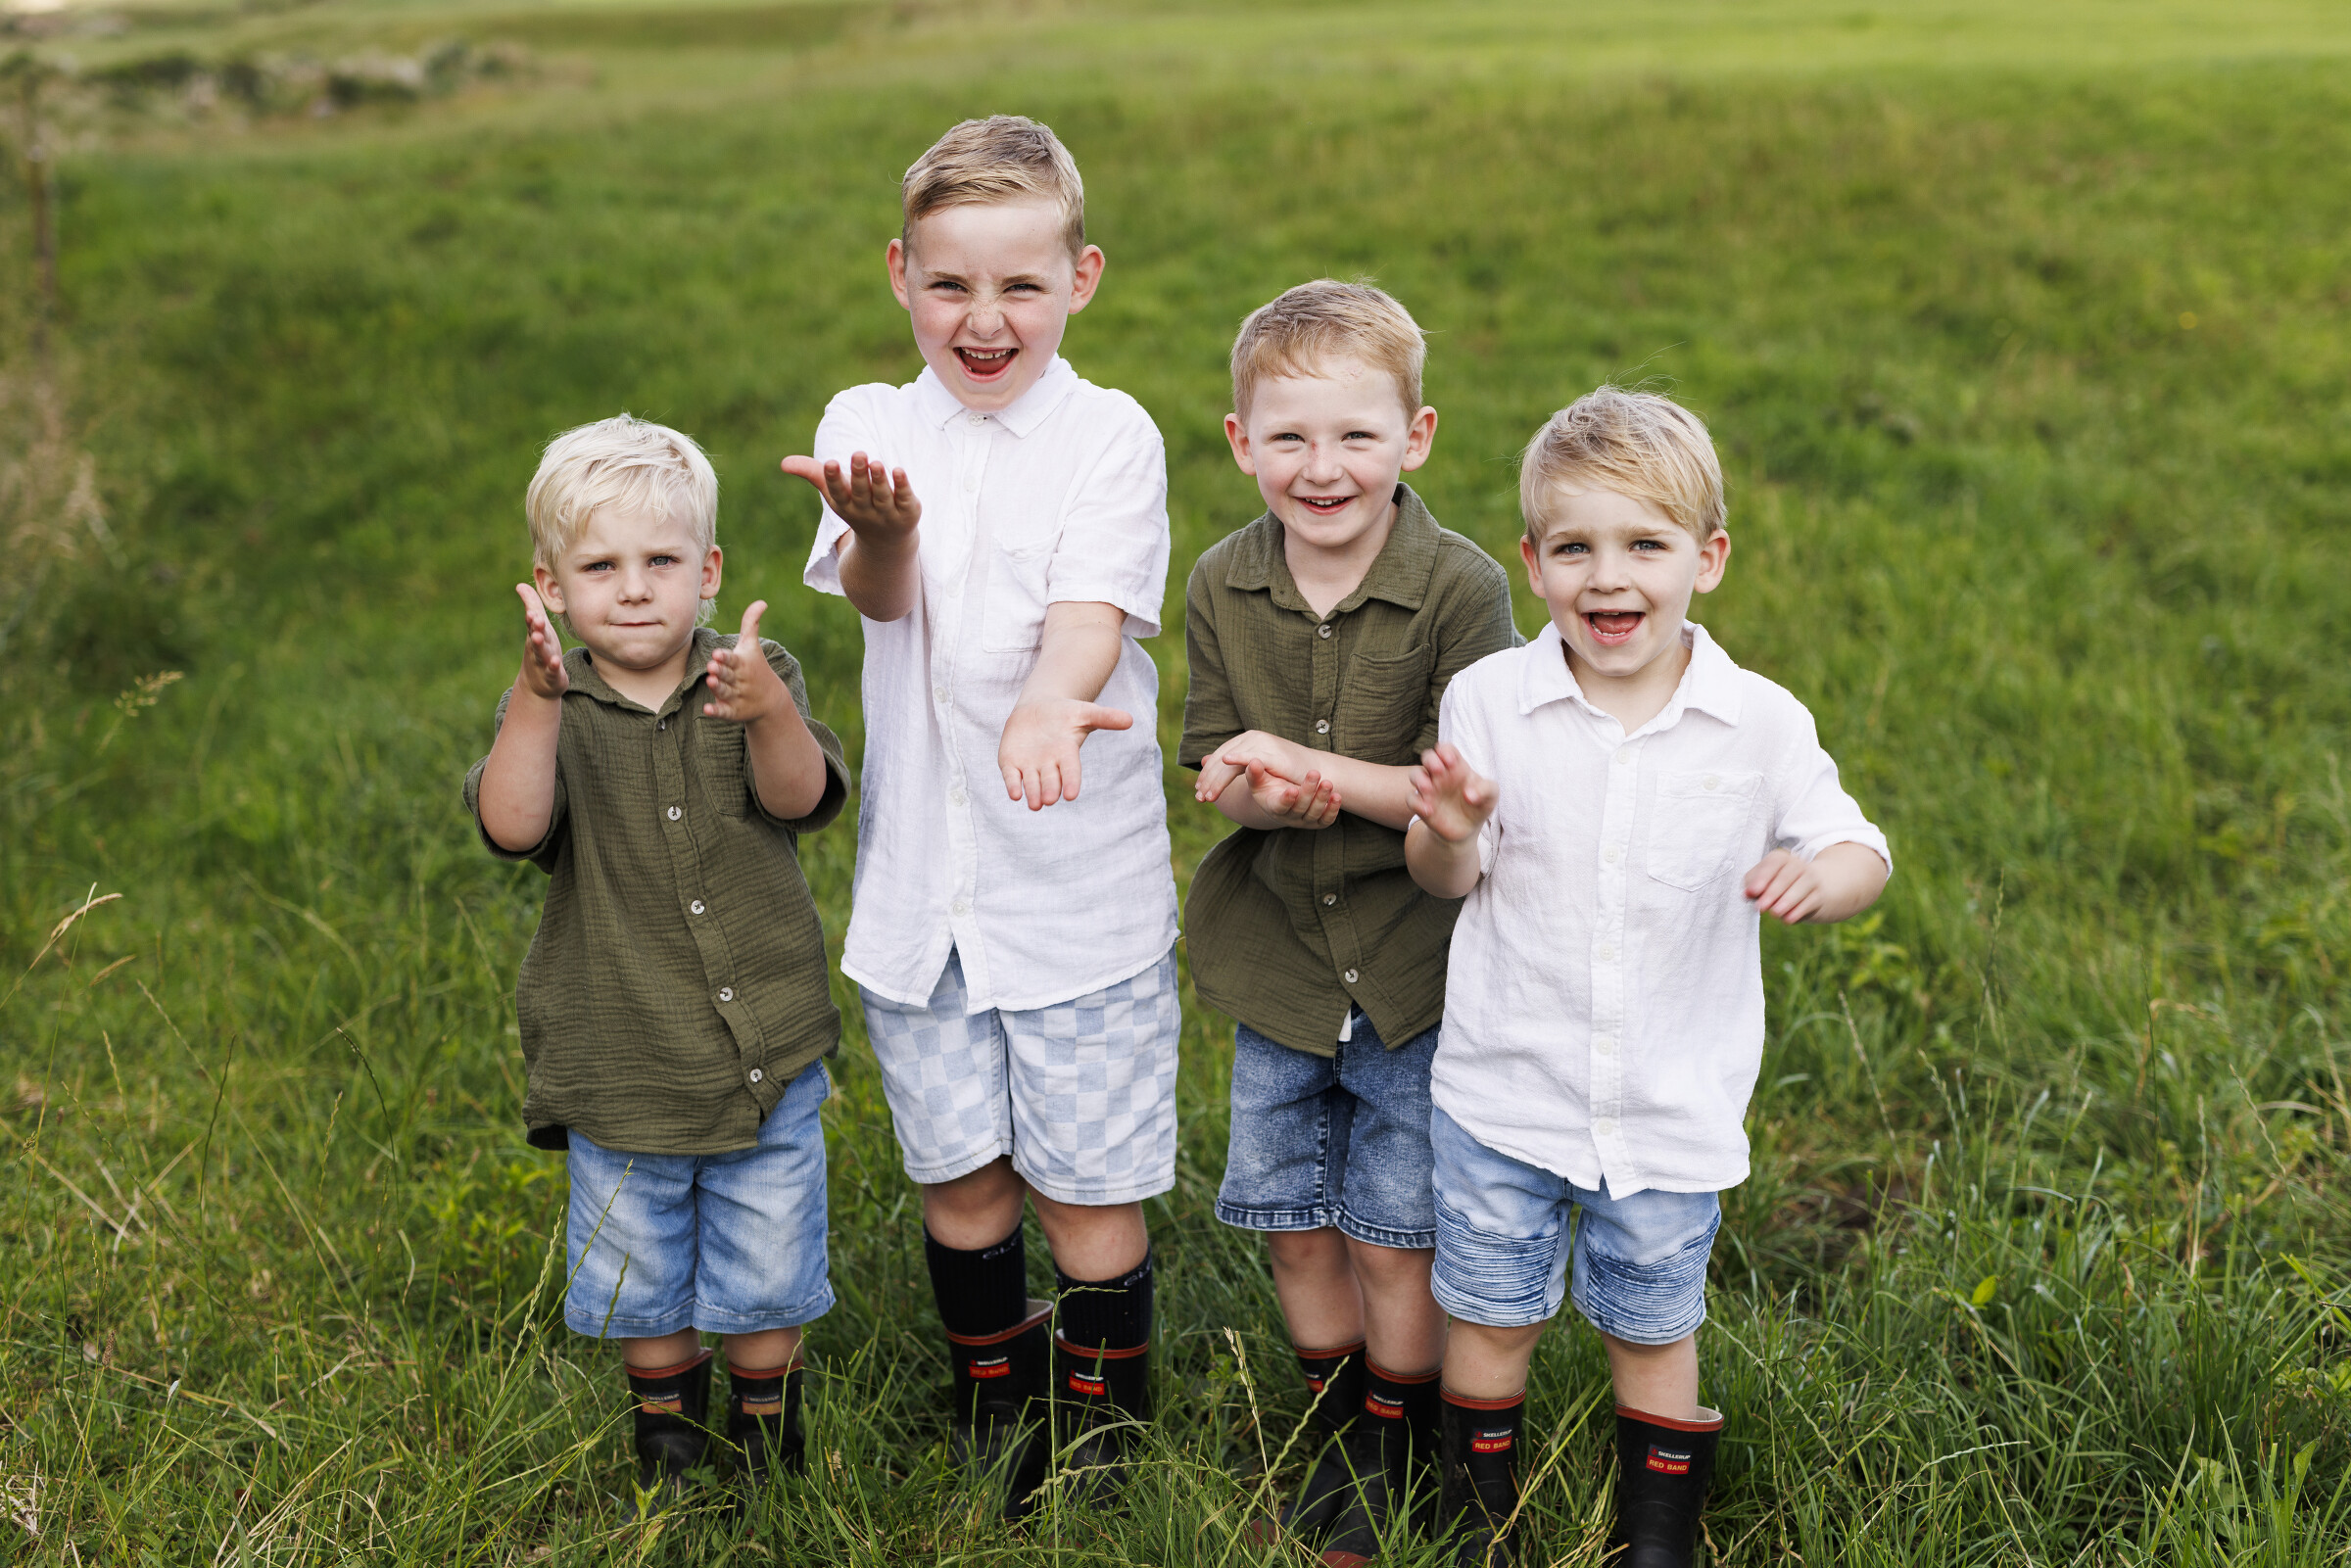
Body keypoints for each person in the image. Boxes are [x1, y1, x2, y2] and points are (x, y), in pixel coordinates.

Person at [1405, 387, 1892, 1567]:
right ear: (1533, 563)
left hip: (1670, 1104)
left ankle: (1658, 1536)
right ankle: (1478, 1520)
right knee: (1490, 1314)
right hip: (1507, 1092)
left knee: (1654, 1323)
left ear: (1706, 559)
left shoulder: (1760, 722)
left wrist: (1821, 876)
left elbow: (1859, 847)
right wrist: (1450, 826)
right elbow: (1445, 876)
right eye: (1574, 547)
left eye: (1645, 545)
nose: (1608, 576)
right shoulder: (1491, 700)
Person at [782, 115, 1178, 1517]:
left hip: (1076, 894)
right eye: (950, 283)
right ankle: (993, 1412)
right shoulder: (869, 426)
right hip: (925, 896)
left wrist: (1051, 700)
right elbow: (880, 594)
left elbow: (1091, 612)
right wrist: (886, 532)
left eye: (1022, 283)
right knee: (962, 1176)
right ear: (901, 275)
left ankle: (1105, 1431)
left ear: (1083, 279)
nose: (984, 318)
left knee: (1086, 1186)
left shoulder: (1110, 434)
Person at [1180, 278, 1517, 1567]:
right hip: (1276, 962)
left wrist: (1321, 771)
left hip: (1413, 972)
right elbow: (1219, 765)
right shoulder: (1223, 582)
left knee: (1392, 1229)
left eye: (1356, 436)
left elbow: (1462, 788)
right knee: (1293, 1220)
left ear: (1415, 437)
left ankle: (1398, 1437)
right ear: (1241, 442)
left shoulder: (1461, 589)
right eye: (1290, 437)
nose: (1322, 468)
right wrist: (1256, 788)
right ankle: (1334, 1428)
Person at [463, 414, 850, 1506]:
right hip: (618, 1054)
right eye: (600, 567)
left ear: (709, 571)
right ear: (551, 587)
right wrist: (535, 701)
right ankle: (668, 1451)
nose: (634, 589)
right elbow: (509, 826)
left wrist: (767, 713)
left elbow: (802, 798)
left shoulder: (753, 675)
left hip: (762, 1052)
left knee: (769, 1259)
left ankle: (769, 1447)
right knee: (641, 1271)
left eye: (662, 561)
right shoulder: (549, 708)